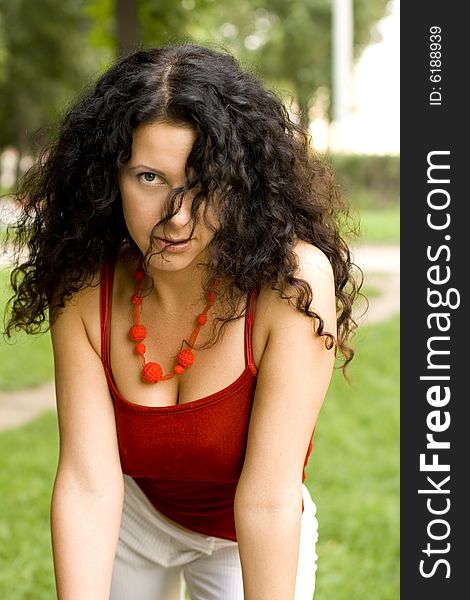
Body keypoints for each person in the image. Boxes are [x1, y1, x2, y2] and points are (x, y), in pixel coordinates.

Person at [5, 43, 361, 600]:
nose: (177, 217)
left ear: (243, 182)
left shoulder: (291, 281)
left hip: (244, 534)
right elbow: (89, 484)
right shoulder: (83, 284)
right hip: (134, 516)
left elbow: (268, 497)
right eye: (149, 177)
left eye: (205, 181)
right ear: (107, 178)